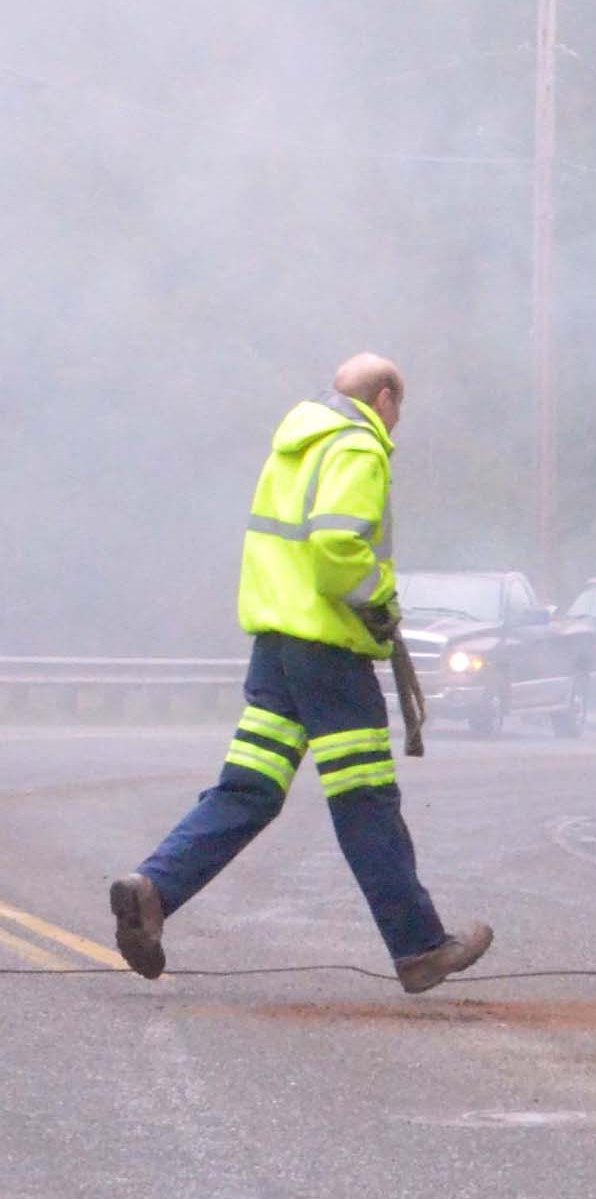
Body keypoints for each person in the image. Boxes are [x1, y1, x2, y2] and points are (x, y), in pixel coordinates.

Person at [109, 354, 492, 991]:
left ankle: (153, 890)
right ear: (387, 396)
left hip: (278, 648)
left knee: (248, 789)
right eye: (399, 410)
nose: (396, 426)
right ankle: (421, 947)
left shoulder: (294, 444)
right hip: (329, 652)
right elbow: (338, 550)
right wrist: (380, 607)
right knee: (366, 799)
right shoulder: (358, 447)